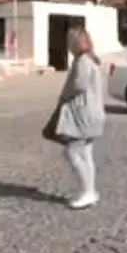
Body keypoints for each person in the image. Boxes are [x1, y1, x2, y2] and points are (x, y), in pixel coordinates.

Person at [51, 28, 106, 209]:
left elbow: (78, 85)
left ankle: (87, 191)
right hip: (94, 114)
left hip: (83, 114)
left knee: (72, 152)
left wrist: (63, 96)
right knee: (85, 153)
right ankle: (90, 190)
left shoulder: (82, 61)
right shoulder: (91, 59)